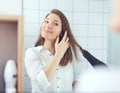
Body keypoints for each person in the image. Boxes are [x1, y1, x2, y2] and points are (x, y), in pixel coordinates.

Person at [24, 9, 94, 93]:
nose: (48, 25)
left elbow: (71, 84)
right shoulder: (32, 53)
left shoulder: (69, 56)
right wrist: (58, 54)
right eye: (46, 21)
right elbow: (42, 84)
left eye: (55, 24)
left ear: (62, 32)